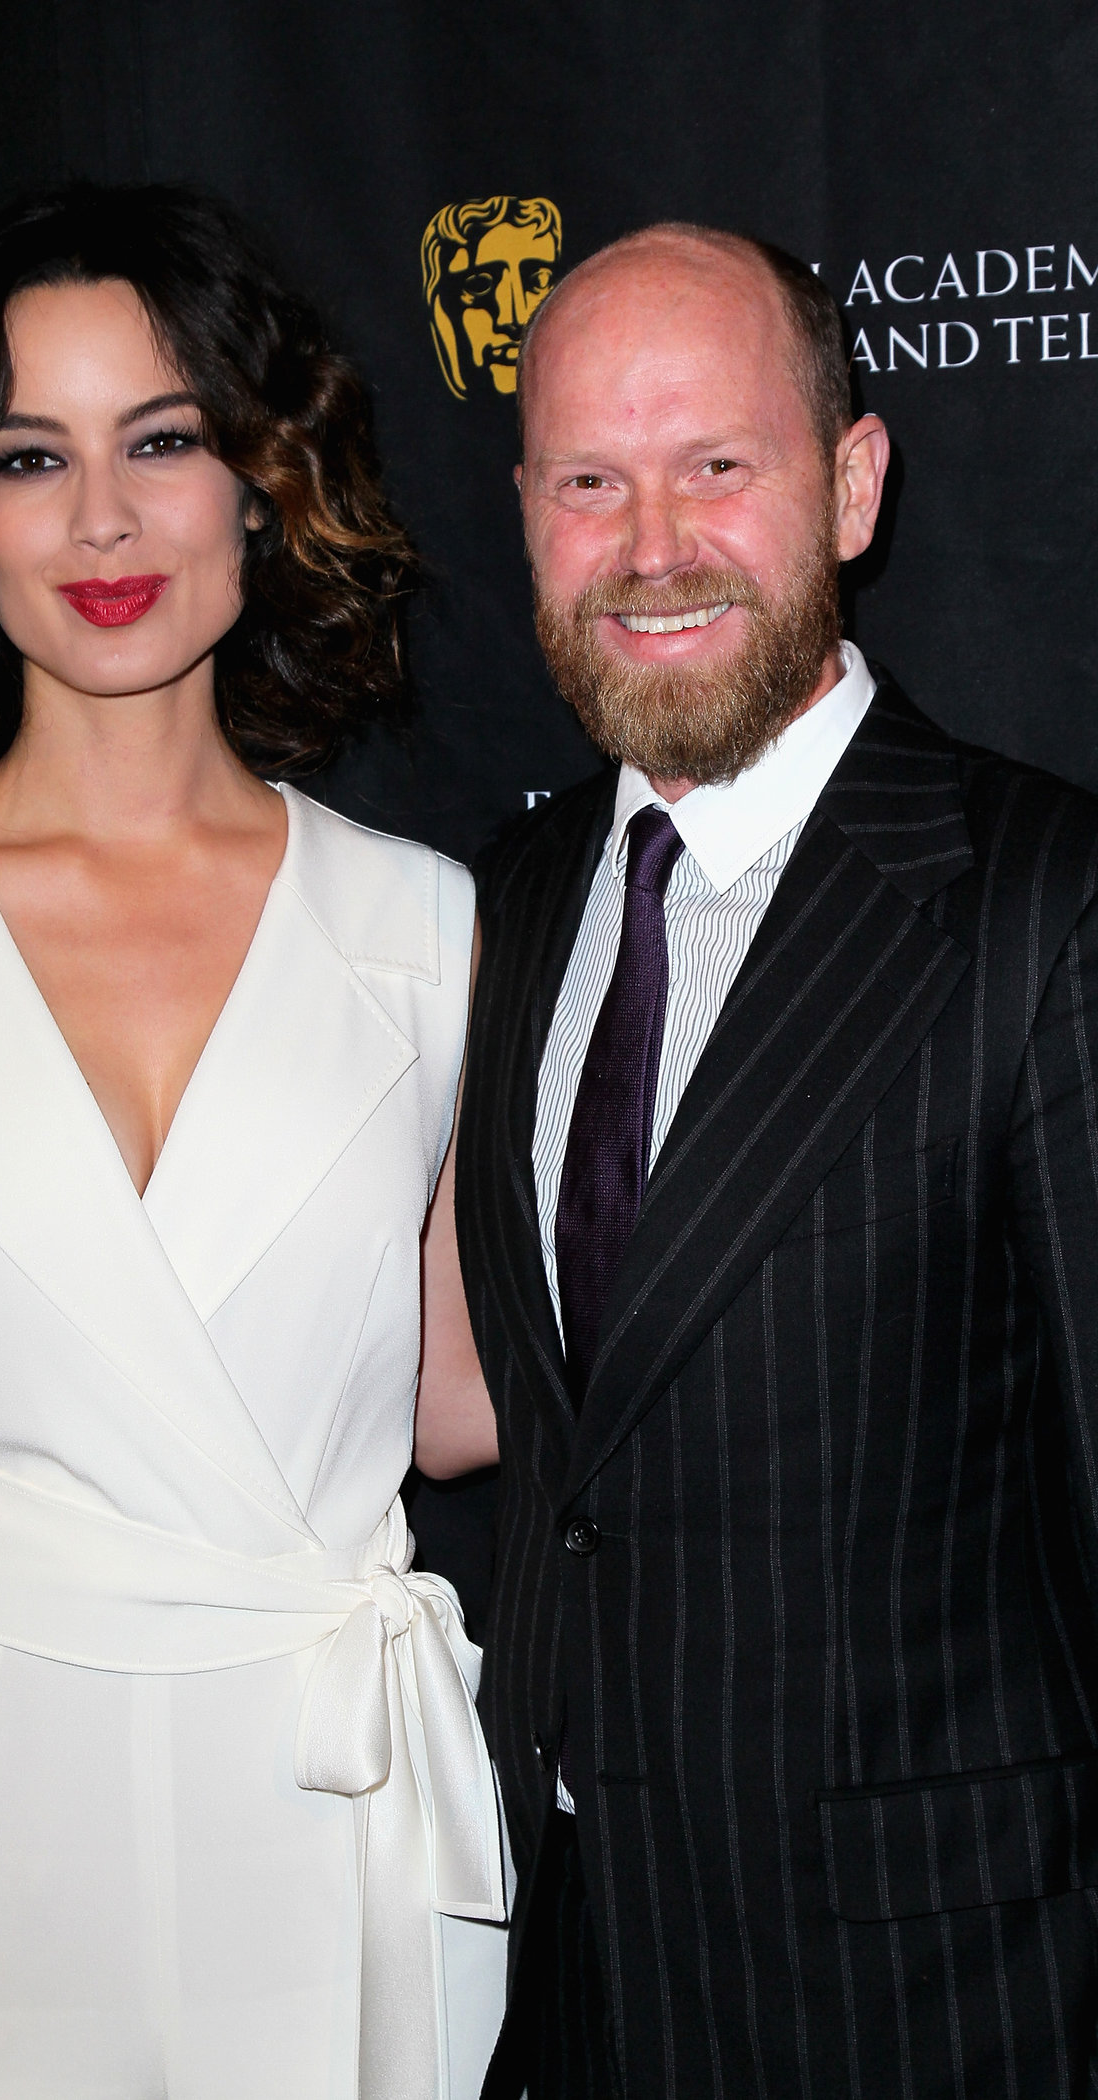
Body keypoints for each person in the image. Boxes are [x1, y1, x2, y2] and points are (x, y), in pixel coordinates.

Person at [0, 185, 507, 2100]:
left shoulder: (434, 934)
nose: (104, 521)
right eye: (29, 458)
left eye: (162, 441)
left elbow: (467, 1398)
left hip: (330, 1815)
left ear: (260, 478)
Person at [439, 224, 1098, 2098]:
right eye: (591, 481)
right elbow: (461, 1386)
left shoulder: (1044, 903)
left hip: (946, 2002)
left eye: (717, 466)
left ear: (854, 484)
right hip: (572, 1979)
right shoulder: (513, 897)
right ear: (528, 512)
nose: (651, 547)